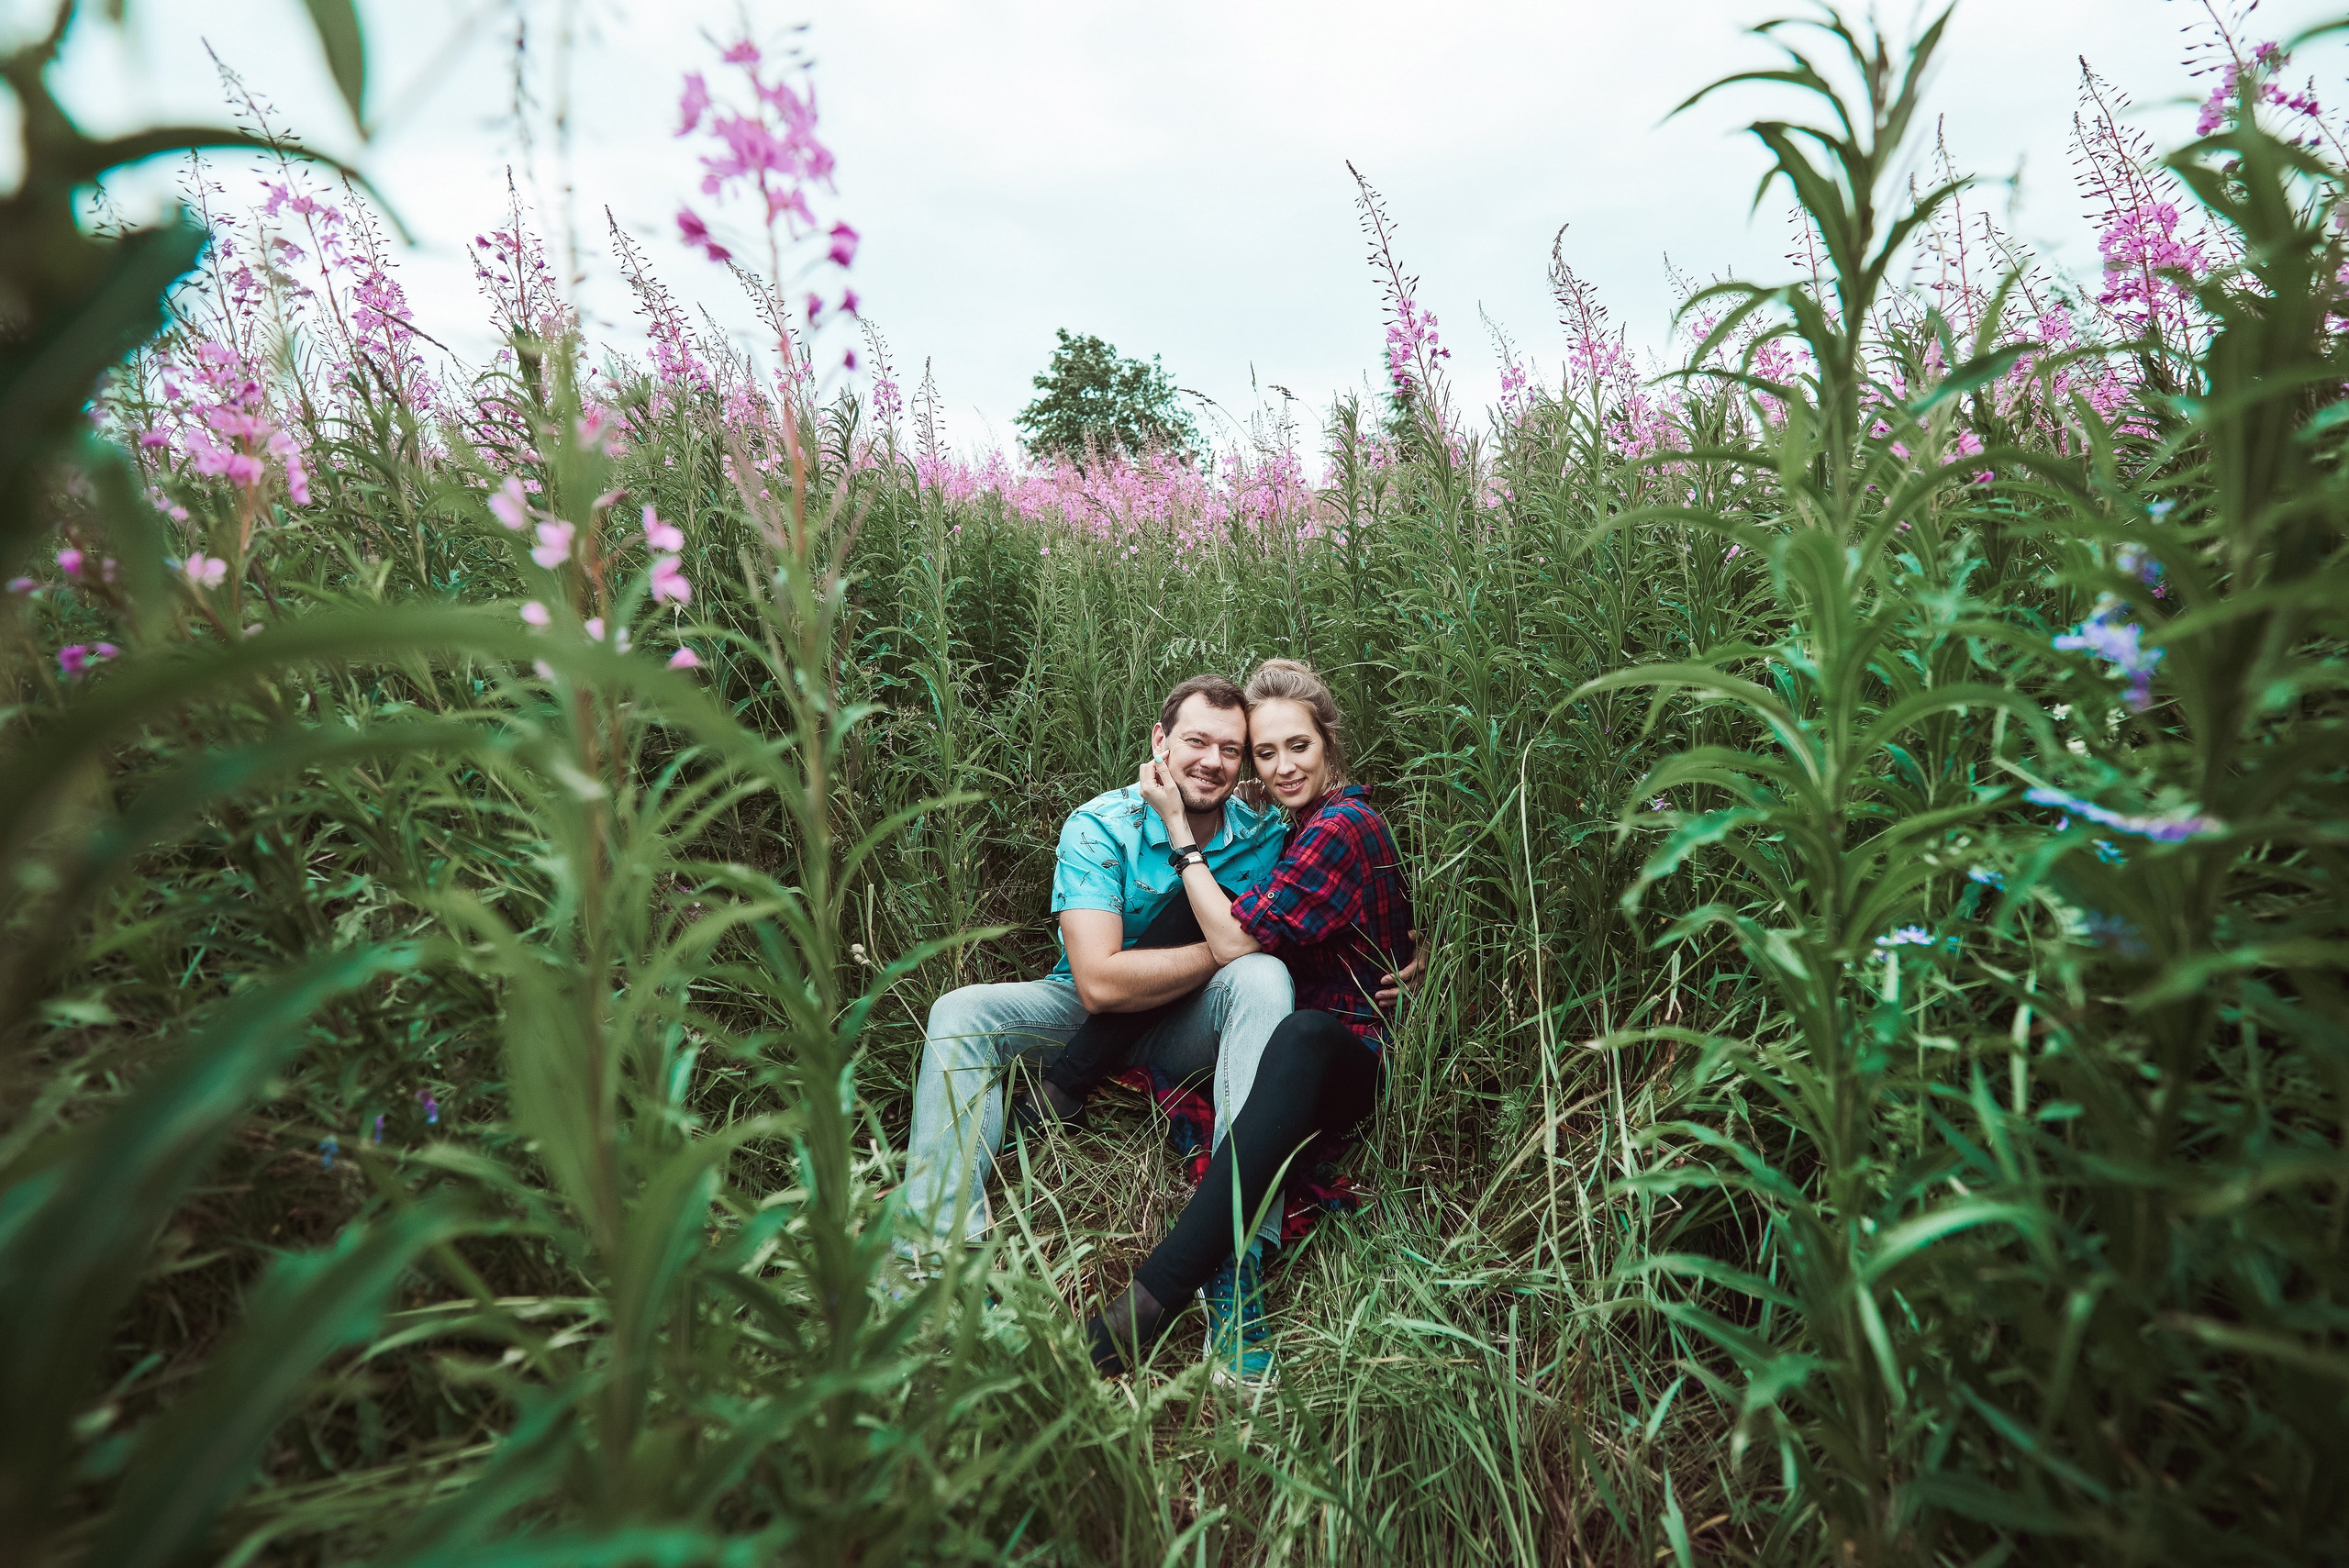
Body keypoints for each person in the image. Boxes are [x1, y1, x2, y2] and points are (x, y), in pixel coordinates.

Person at [1084, 658, 1415, 1388]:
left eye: (1297, 745)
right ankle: (1061, 1089)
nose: (1282, 766)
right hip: (1297, 1058)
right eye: (1265, 753)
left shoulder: (1343, 825)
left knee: (1298, 1028)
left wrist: (1180, 832)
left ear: (1328, 743)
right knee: (1208, 931)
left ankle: (1161, 1295)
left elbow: (1239, 941)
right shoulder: (1301, 830)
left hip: (1347, 1057)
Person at [897, 674, 1296, 1264]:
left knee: (1264, 979)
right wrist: (1233, 944)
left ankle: (1237, 1250)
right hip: (1082, 1018)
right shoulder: (1102, 826)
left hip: (1198, 1019)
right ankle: (934, 1248)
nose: (1213, 762)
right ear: (1160, 741)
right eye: (1196, 742)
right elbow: (1099, 983)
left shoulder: (1265, 837)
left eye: (1231, 750)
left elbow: (1337, 884)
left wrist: (1391, 950)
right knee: (960, 1013)